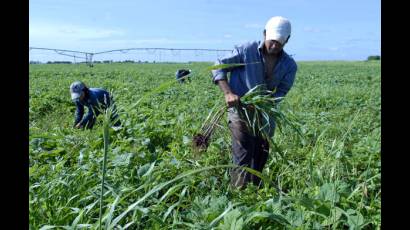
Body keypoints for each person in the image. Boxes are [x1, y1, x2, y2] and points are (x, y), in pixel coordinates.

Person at [211, 16, 298, 188]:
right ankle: (239, 194)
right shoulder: (247, 50)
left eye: (279, 43)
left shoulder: (289, 65)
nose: (274, 46)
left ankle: (256, 193)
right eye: (271, 41)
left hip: (265, 117)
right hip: (240, 112)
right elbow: (218, 65)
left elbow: (282, 91)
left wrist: (267, 103)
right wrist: (228, 93)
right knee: (243, 151)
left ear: (287, 40)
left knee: (260, 154)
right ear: (265, 34)